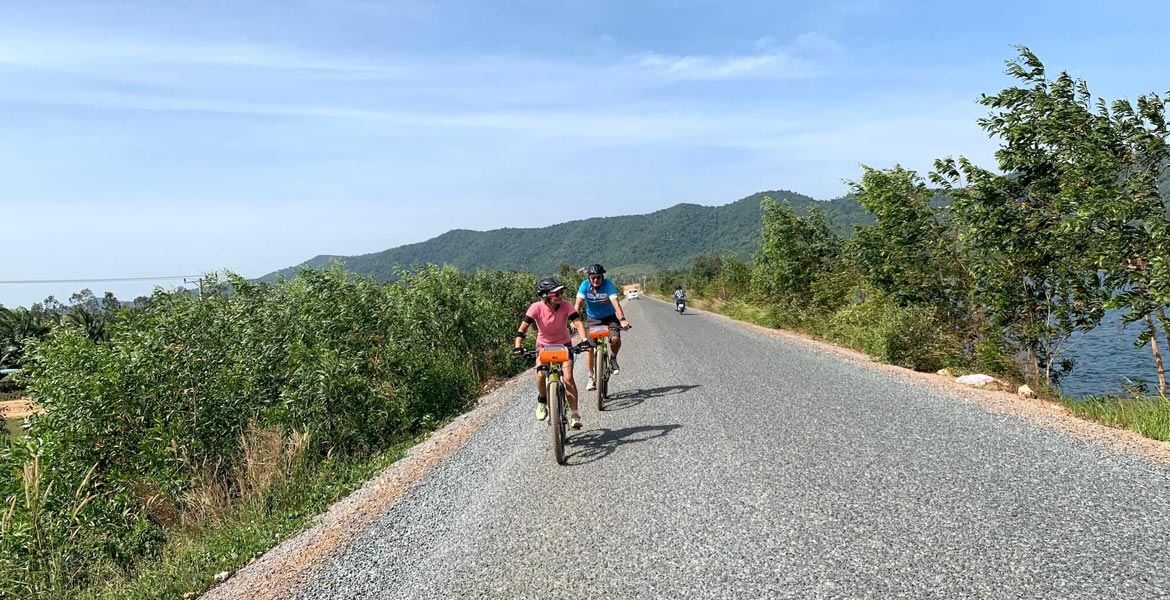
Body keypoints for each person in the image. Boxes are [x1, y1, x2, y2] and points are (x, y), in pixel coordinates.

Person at [514, 277, 590, 429]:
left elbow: (577, 322)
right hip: (543, 347)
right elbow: (522, 329)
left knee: (568, 377)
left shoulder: (567, 305)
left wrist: (583, 339)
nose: (560, 296)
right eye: (556, 294)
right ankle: (542, 400)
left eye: (561, 292)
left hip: (564, 346)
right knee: (541, 374)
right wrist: (518, 346)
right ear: (545, 296)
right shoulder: (535, 308)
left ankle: (575, 414)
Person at [575, 264, 631, 391]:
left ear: (602, 277)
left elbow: (616, 303)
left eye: (598, 277)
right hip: (592, 319)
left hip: (610, 317)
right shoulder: (584, 285)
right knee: (588, 347)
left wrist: (622, 319)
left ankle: (613, 359)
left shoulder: (608, 285)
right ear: (589, 277)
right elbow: (578, 303)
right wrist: (574, 320)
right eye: (593, 277)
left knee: (615, 339)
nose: (595, 280)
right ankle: (591, 377)